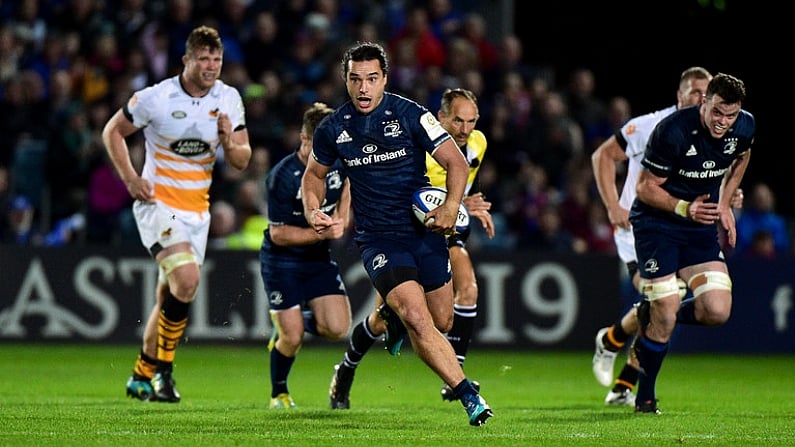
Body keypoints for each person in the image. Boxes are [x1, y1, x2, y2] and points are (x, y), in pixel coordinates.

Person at [301, 42, 493, 426]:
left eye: (371, 79)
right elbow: (314, 176)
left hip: (423, 232)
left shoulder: (411, 115)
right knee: (417, 317)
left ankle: (389, 315)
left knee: (443, 321)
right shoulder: (333, 128)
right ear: (346, 80)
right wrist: (311, 209)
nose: (363, 88)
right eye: (355, 79)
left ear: (385, 79)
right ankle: (469, 395)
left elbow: (454, 162)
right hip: (379, 239)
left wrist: (452, 207)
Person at [103, 25, 252, 403]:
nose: (211, 66)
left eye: (216, 59)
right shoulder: (156, 98)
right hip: (158, 206)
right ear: (186, 60)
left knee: (168, 295)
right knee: (187, 281)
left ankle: (142, 374)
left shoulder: (229, 99)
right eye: (203, 58)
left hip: (196, 213)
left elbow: (241, 160)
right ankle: (164, 377)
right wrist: (131, 179)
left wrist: (226, 141)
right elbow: (112, 132)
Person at [591, 67, 745, 406]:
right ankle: (625, 374)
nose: (700, 99)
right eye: (695, 93)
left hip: (689, 228)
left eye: (706, 93)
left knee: (666, 306)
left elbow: (720, 166)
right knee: (665, 300)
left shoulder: (721, 130)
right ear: (681, 95)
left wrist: (728, 197)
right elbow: (603, 155)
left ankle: (617, 355)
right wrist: (612, 205)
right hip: (641, 230)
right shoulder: (650, 127)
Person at [630, 72, 754, 414]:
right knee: (668, 308)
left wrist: (725, 202)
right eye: (718, 113)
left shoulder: (743, 126)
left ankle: (654, 314)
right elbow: (644, 188)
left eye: (730, 115)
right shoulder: (673, 131)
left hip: (698, 228)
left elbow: (742, 156)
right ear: (705, 102)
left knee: (716, 311)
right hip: (658, 224)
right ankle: (645, 398)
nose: (723, 123)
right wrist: (686, 207)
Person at [260, 101, 353, 409]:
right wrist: (320, 233)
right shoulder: (283, 176)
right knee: (292, 338)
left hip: (317, 258)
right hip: (281, 260)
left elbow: (348, 184)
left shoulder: (338, 163)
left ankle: (291, 321)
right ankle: (279, 393)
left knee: (337, 328)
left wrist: (342, 216)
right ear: (303, 139)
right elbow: (278, 234)